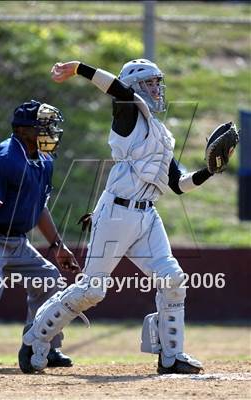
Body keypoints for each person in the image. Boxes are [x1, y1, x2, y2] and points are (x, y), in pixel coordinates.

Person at [21, 60, 229, 374]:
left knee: (173, 279)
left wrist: (209, 172)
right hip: (117, 213)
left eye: (158, 83)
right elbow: (117, 89)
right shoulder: (128, 113)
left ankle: (171, 357)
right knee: (93, 290)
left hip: (147, 216)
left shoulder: (160, 133)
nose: (156, 89)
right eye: (149, 83)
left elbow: (178, 185)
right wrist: (79, 68)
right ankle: (35, 337)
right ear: (134, 87)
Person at [0, 100, 80, 373]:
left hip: (18, 240)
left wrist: (58, 245)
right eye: (44, 126)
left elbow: (40, 207)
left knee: (50, 280)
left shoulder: (44, 160)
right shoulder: (5, 157)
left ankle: (43, 344)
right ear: (23, 130)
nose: (51, 132)